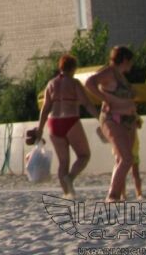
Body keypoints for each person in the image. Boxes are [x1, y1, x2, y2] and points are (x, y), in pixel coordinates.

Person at [33, 54, 98, 197]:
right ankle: (71, 177)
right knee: (84, 155)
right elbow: (86, 103)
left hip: (54, 123)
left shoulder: (51, 83)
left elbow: (45, 108)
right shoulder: (74, 83)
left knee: (63, 162)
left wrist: (40, 128)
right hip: (70, 120)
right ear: (73, 68)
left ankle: (68, 193)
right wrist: (99, 118)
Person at [86, 45, 138, 202]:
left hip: (127, 121)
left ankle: (118, 194)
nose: (132, 64)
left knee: (122, 159)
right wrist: (105, 99)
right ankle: (112, 195)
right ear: (125, 59)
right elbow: (90, 83)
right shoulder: (109, 72)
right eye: (130, 61)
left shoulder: (121, 76)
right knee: (126, 158)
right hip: (113, 119)